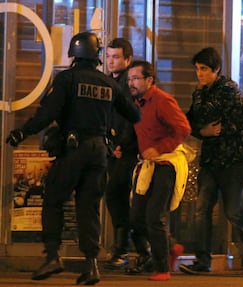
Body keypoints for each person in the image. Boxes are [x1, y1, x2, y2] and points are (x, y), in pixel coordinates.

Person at [6, 31, 141, 285]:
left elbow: (47, 113)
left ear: (74, 54)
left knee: (54, 199)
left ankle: (53, 256)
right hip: (99, 152)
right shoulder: (109, 83)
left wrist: (23, 131)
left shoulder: (67, 79)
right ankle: (91, 265)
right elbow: (135, 115)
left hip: (73, 149)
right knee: (88, 208)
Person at [179, 47, 243, 275]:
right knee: (201, 210)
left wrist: (202, 125)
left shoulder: (227, 89)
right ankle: (203, 261)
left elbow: (213, 117)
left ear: (216, 70)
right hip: (212, 159)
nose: (200, 74)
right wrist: (202, 132)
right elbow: (190, 122)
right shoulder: (200, 93)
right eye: (197, 70)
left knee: (233, 211)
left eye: (204, 69)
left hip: (234, 159)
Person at [127, 60, 192, 281]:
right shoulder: (136, 103)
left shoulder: (162, 101)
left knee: (155, 215)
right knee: (136, 216)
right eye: (129, 79)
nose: (131, 83)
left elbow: (183, 128)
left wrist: (159, 148)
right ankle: (171, 247)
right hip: (149, 163)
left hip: (167, 162)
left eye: (135, 78)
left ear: (149, 80)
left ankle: (162, 267)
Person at [103, 38, 138, 270]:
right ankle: (123, 247)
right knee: (114, 197)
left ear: (128, 59)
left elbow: (132, 119)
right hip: (109, 148)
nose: (111, 61)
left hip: (127, 151)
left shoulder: (131, 84)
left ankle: (123, 249)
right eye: (108, 56)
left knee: (117, 195)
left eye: (116, 57)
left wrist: (121, 145)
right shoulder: (106, 82)